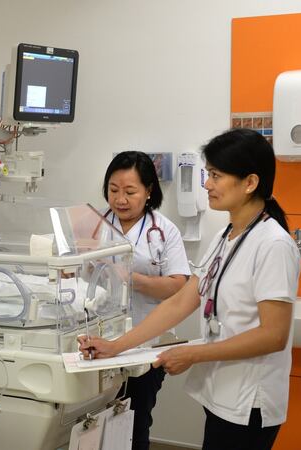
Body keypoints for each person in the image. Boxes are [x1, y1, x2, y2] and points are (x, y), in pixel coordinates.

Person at [81, 129, 301, 450]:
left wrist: (193, 353)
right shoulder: (226, 236)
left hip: (250, 399)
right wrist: (116, 347)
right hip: (222, 392)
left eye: (215, 175)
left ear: (250, 183)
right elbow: (182, 301)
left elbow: (274, 335)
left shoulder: (274, 245)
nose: (206, 184)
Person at [100, 151, 190, 450]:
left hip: (144, 344)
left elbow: (178, 286)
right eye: (113, 190)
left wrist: (131, 279)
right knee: (95, 423)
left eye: (130, 192)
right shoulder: (95, 225)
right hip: (101, 341)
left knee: (135, 423)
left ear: (149, 191)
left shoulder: (164, 231)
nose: (120, 200)